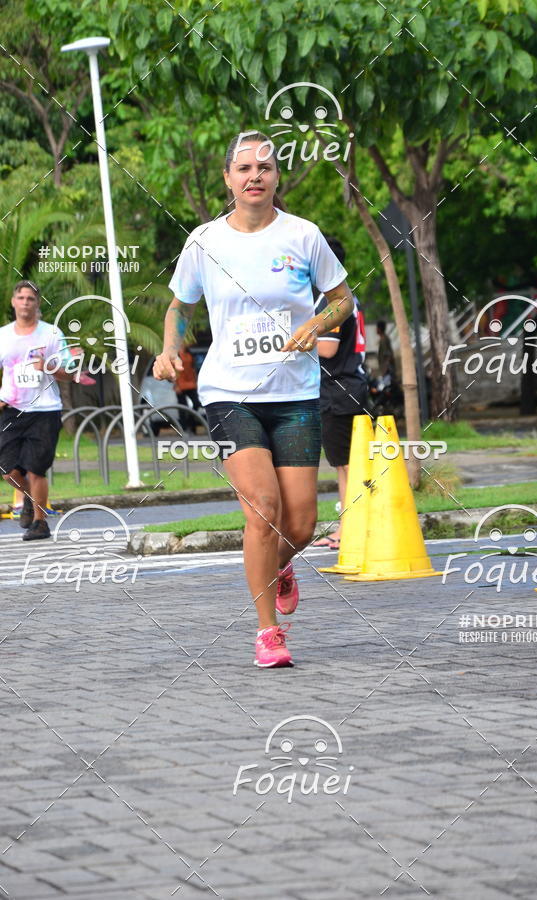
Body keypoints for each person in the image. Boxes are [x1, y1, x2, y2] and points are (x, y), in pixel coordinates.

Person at [153, 131, 353, 668]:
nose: (254, 175)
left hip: (294, 395)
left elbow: (341, 301)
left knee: (303, 524)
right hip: (230, 394)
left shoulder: (304, 236)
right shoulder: (204, 241)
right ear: (228, 178)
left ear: (276, 176)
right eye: (243, 168)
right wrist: (171, 347)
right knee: (263, 509)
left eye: (264, 166)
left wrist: (317, 321)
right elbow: (179, 307)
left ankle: (277, 566)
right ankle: (268, 632)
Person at [0, 280, 72, 540]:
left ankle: (40, 523)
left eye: (31, 299)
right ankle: (30, 498)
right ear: (13, 301)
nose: (25, 303)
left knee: (35, 469)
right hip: (12, 409)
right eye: (21, 298)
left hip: (45, 410)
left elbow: (70, 372)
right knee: (7, 470)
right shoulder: (3, 335)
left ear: (37, 303)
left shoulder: (51, 334)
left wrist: (49, 367)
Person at [314, 237, 367, 551]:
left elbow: (328, 348)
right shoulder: (346, 298)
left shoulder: (330, 302)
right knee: (346, 465)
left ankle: (349, 530)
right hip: (349, 388)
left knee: (347, 466)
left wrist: (298, 335)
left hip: (339, 391)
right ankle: (348, 527)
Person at [175, 345, 201, 433]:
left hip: (191, 383)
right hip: (180, 384)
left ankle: (191, 424)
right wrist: (176, 384)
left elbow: (193, 368)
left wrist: (196, 381)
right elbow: (174, 371)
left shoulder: (189, 353)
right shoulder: (175, 354)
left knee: (196, 403)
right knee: (183, 407)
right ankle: (184, 428)